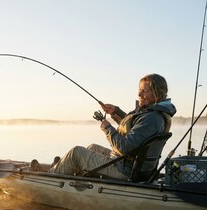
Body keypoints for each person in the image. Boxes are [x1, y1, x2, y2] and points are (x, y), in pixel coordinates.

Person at [48, 73, 176, 181]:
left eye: (145, 91)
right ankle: (72, 178)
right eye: (139, 89)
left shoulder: (151, 118)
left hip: (124, 170)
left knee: (76, 153)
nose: (140, 94)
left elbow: (124, 147)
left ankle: (50, 178)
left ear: (157, 94)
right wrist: (115, 112)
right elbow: (134, 128)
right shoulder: (154, 113)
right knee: (92, 147)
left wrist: (108, 129)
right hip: (128, 164)